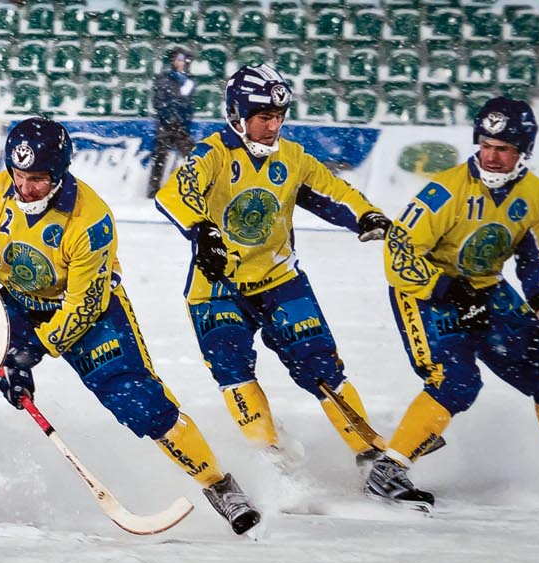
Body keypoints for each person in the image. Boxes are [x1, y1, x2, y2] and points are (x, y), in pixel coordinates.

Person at [0, 117, 261, 535]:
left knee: (141, 403)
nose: (25, 188)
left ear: (58, 174)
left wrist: (22, 356)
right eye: (19, 176)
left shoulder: (90, 220)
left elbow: (82, 306)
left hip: (94, 315)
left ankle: (219, 485)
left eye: (37, 179)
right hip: (18, 304)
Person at [367, 97, 539, 512]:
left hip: (487, 287)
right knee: (457, 380)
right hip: (428, 291)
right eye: (485, 144)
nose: (492, 155)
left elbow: (537, 254)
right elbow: (399, 255)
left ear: (524, 151)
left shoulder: (534, 193)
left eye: (503, 148)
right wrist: (450, 291)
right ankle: (389, 470)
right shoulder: (446, 190)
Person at [154, 65, 394, 470]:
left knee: (320, 365)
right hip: (217, 287)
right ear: (237, 114)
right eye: (264, 117)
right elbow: (175, 194)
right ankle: (271, 460)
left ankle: (372, 455)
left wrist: (367, 215)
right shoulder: (211, 153)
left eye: (279, 117)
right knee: (233, 369)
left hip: (281, 280)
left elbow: (334, 192)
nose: (273, 126)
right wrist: (203, 232)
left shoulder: (293, 157)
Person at [147, 48, 196, 198]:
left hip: (181, 126)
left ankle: (196, 187)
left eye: (182, 60)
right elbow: (158, 102)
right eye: (177, 59)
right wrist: (169, 115)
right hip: (166, 124)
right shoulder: (163, 79)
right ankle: (153, 190)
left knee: (193, 157)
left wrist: (184, 118)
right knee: (160, 158)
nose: (180, 63)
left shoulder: (189, 81)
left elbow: (190, 104)